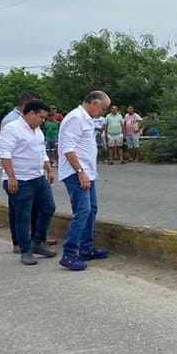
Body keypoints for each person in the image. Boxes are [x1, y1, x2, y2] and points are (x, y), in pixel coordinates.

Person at [57, 91, 112, 271]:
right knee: (83, 210)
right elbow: (68, 148)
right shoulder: (75, 118)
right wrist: (80, 171)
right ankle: (69, 254)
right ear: (94, 103)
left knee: (91, 210)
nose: (103, 113)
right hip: (76, 173)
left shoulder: (86, 118)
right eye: (103, 109)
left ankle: (86, 248)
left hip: (87, 173)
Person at [0, 100, 58, 266]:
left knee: (48, 208)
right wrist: (11, 176)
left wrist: (49, 169)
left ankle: (38, 241)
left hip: (38, 178)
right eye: (41, 117)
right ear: (31, 113)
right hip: (20, 180)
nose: (43, 121)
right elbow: (5, 155)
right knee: (23, 216)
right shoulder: (12, 129)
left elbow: (42, 152)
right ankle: (25, 250)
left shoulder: (37, 130)